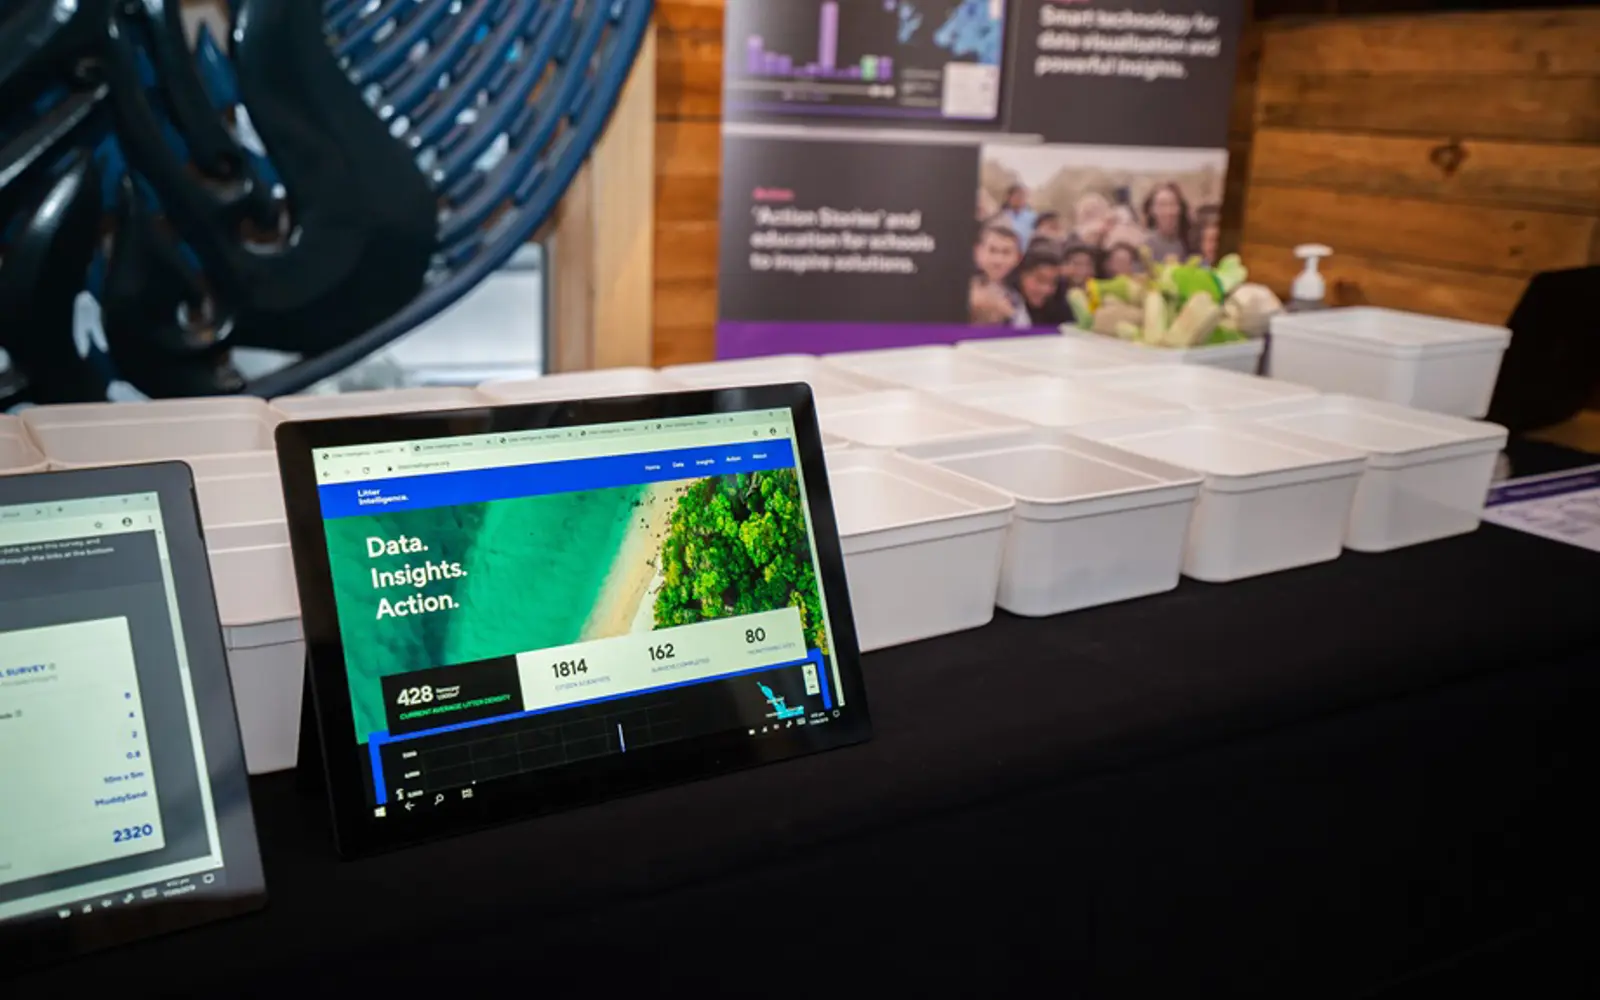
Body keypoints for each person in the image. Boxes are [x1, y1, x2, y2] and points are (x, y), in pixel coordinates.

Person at [970, 222, 1024, 324]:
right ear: (977, 252)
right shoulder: (959, 288)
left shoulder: (1015, 296)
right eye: (992, 250)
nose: (998, 260)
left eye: (1006, 252)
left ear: (1018, 257)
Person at [1008, 246, 1067, 328]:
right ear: (1021, 275)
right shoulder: (1003, 304)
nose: (1046, 289)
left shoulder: (1059, 305)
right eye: (1040, 280)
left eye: (1053, 283)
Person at [1143, 182, 1192, 264]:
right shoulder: (1146, 246)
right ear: (1152, 210)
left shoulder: (1191, 243)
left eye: (1172, 204)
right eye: (1162, 205)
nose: (1168, 211)